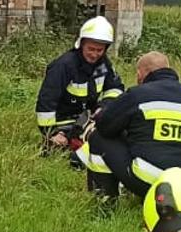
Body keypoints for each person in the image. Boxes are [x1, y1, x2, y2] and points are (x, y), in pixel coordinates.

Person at [77, 51, 181, 200]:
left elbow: (105, 126)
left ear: (140, 74)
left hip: (151, 182)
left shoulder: (138, 94)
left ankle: (105, 199)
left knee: (98, 137)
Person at [35, 16, 123, 151]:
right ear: (81, 44)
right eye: (91, 49)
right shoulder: (64, 66)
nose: (94, 55)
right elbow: (47, 100)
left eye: (99, 50)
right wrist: (51, 133)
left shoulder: (104, 64)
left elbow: (115, 88)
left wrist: (104, 106)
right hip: (64, 123)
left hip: (90, 118)